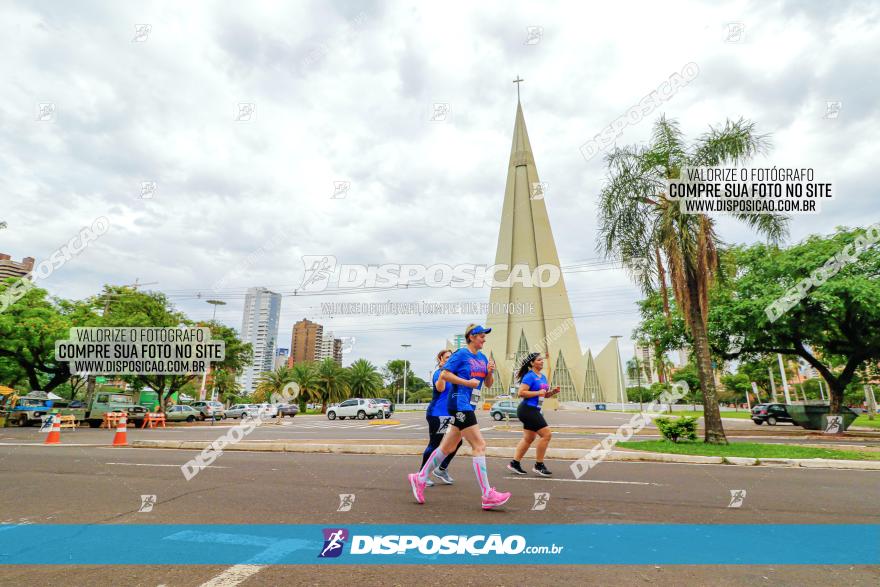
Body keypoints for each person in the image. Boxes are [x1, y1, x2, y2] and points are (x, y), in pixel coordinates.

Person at [408, 324, 511, 510]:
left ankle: (420, 477)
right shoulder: (461, 355)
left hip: (469, 404)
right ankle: (487, 494)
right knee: (479, 445)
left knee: (447, 447)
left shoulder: (482, 358)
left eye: (484, 336)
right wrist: (466, 383)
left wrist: (490, 372)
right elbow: (445, 374)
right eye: (481, 336)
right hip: (459, 404)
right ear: (471, 336)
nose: (484, 339)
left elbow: (487, 384)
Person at [507, 352, 560, 477]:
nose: (542, 361)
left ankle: (514, 463)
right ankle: (539, 465)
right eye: (539, 360)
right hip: (527, 409)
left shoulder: (543, 377)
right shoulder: (529, 376)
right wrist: (537, 392)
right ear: (532, 363)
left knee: (529, 438)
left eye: (542, 360)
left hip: (534, 409)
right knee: (547, 435)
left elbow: (543, 394)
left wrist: (552, 392)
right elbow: (521, 393)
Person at [421, 349, 462, 486]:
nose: (449, 359)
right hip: (438, 414)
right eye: (446, 357)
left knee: (458, 441)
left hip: (450, 414)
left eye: (451, 357)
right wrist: (444, 372)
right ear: (440, 359)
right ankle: (422, 474)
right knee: (434, 444)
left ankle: (441, 469)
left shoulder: (453, 374)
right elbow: (440, 388)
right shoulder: (439, 373)